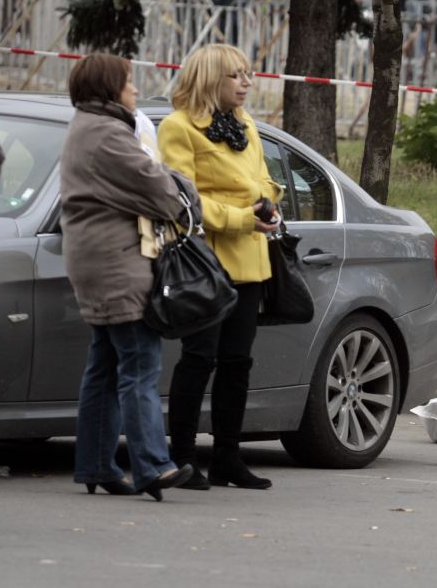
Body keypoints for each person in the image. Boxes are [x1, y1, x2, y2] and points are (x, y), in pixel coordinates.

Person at [59, 54, 195, 500]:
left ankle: (97, 465)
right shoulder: (109, 135)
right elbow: (158, 189)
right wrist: (180, 189)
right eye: (130, 82)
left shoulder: (88, 127)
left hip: (95, 258)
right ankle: (153, 465)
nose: (135, 90)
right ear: (109, 88)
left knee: (104, 364)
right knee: (139, 363)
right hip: (118, 261)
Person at [158, 44, 283, 491]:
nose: (247, 83)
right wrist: (241, 216)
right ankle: (184, 456)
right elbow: (180, 201)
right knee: (198, 359)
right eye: (236, 75)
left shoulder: (245, 123)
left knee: (238, 362)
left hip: (250, 258)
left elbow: (263, 179)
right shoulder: (178, 128)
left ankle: (229, 456)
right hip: (205, 261)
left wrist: (270, 204)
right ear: (211, 79)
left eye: (248, 74)